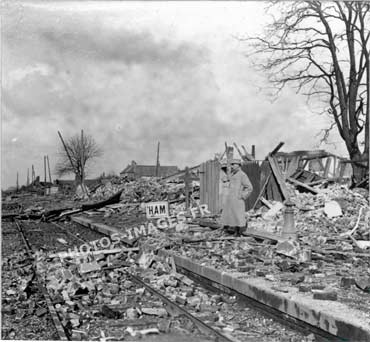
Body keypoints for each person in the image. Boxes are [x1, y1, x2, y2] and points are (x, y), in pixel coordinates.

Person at [220, 159, 253, 236]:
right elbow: (227, 180)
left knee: (237, 216)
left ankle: (237, 232)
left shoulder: (242, 175)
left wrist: (242, 195)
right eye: (231, 164)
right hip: (230, 199)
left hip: (238, 199)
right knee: (228, 215)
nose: (232, 166)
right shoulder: (232, 174)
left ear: (239, 165)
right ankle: (226, 230)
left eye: (234, 164)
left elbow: (249, 187)